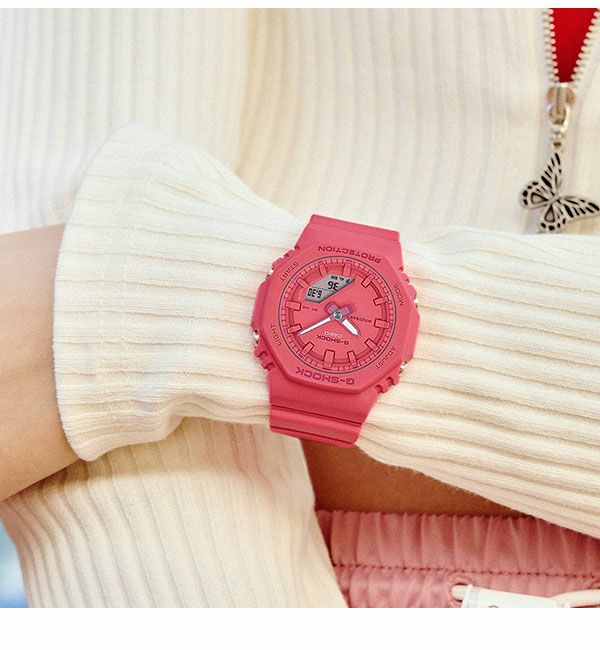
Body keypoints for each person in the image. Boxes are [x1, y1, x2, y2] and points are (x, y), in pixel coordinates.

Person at [0, 8, 599, 607]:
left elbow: (93, 279)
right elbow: (72, 235)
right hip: (250, 557)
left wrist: (174, 289)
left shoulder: (149, 287)